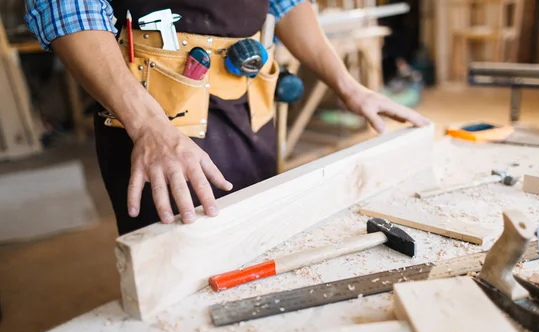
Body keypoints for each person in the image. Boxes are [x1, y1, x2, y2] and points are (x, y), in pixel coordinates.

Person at [24, 0, 429, 236]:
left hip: (248, 106)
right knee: (181, 264)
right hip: (157, 119)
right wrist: (148, 125)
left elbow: (286, 3)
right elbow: (68, 10)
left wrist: (348, 85)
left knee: (258, 239)